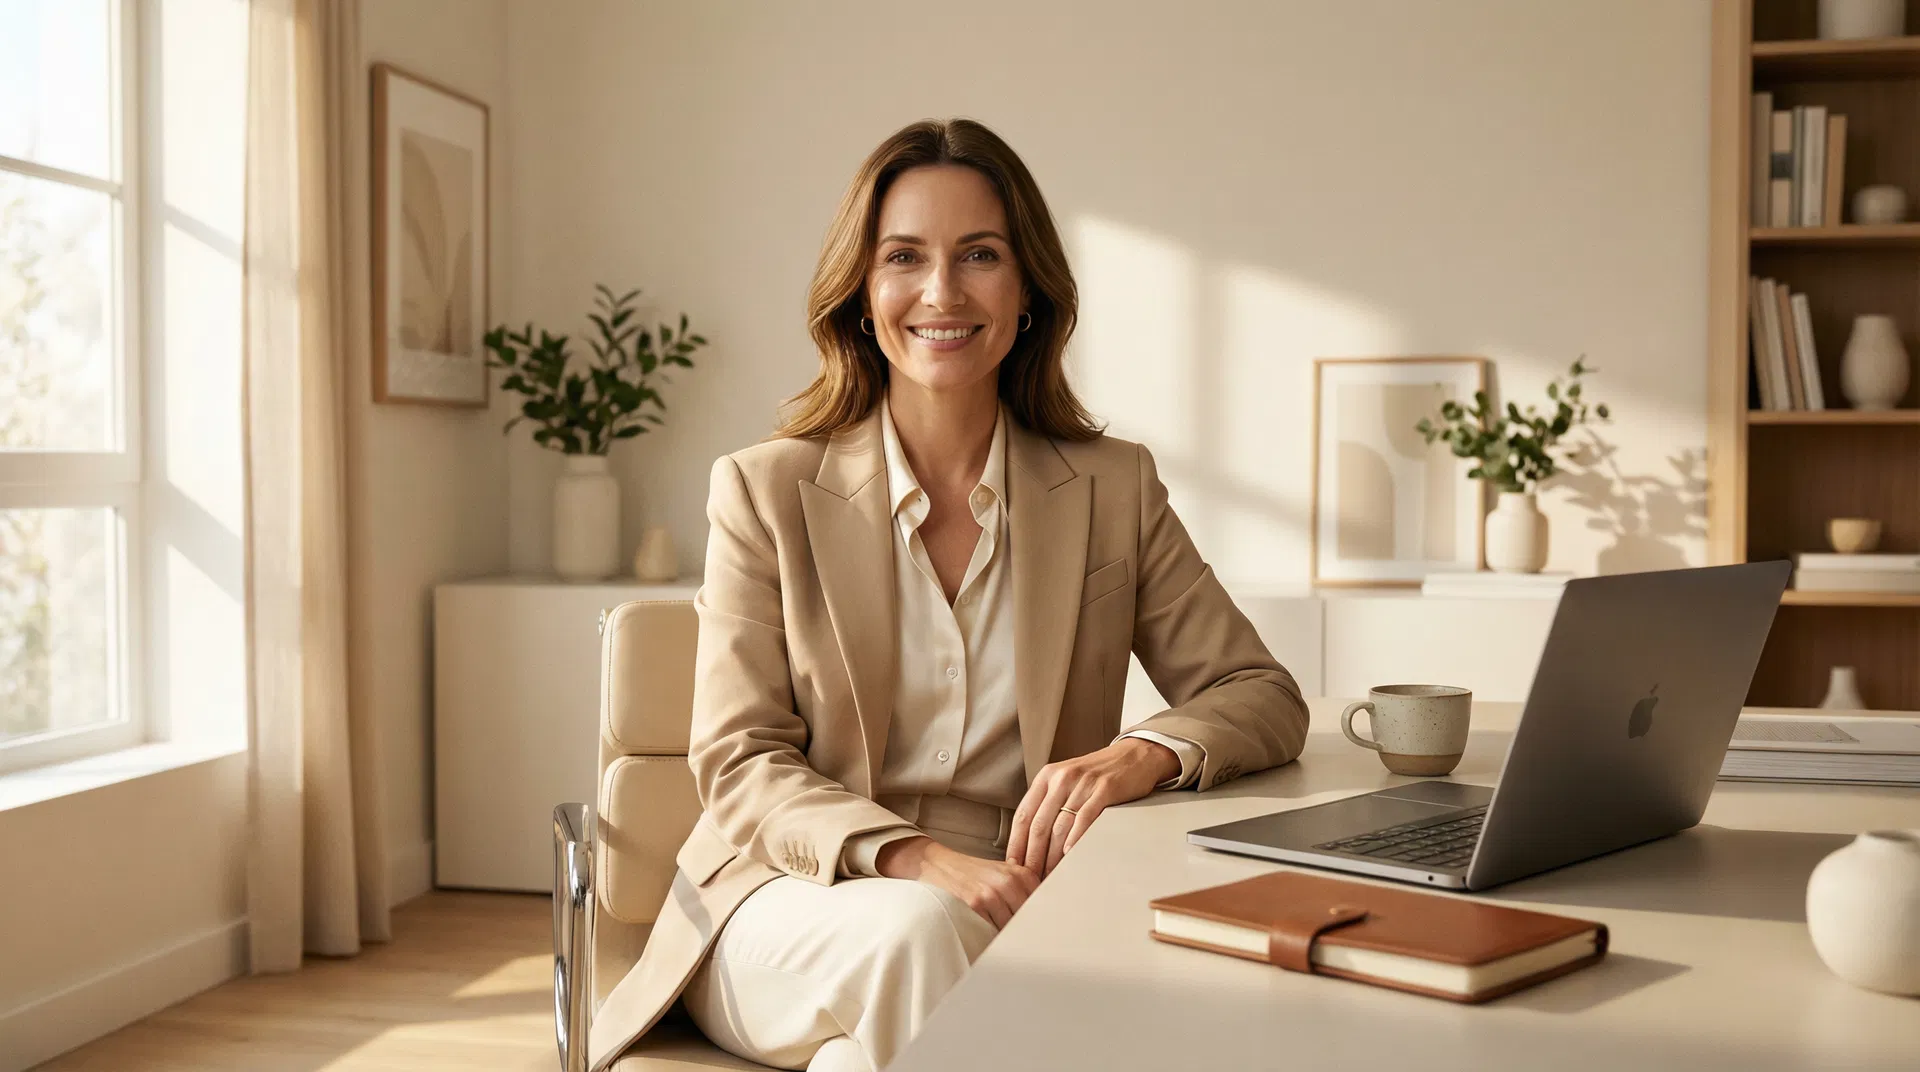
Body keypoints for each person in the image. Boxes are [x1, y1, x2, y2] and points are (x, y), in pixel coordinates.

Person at [590, 118, 1310, 1072]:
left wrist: (1140, 754)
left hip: (1020, 903)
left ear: (1028, 290)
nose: (942, 292)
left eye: (980, 255)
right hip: (785, 900)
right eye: (904, 257)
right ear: (862, 293)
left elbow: (1261, 693)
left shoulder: (1112, 488)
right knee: (921, 934)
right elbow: (740, 763)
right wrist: (919, 862)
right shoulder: (764, 490)